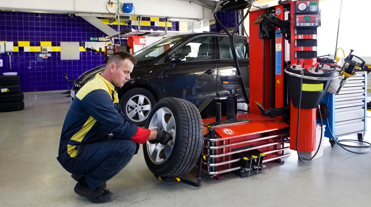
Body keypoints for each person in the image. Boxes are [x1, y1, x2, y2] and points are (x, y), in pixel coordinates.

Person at [57, 51, 172, 203]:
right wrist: (155, 135)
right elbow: (120, 127)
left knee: (131, 142)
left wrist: (143, 134)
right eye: (126, 72)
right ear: (112, 67)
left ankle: (86, 172)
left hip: (87, 143)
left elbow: (124, 122)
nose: (128, 77)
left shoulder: (109, 91)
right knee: (127, 147)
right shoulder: (96, 92)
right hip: (73, 153)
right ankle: (86, 185)